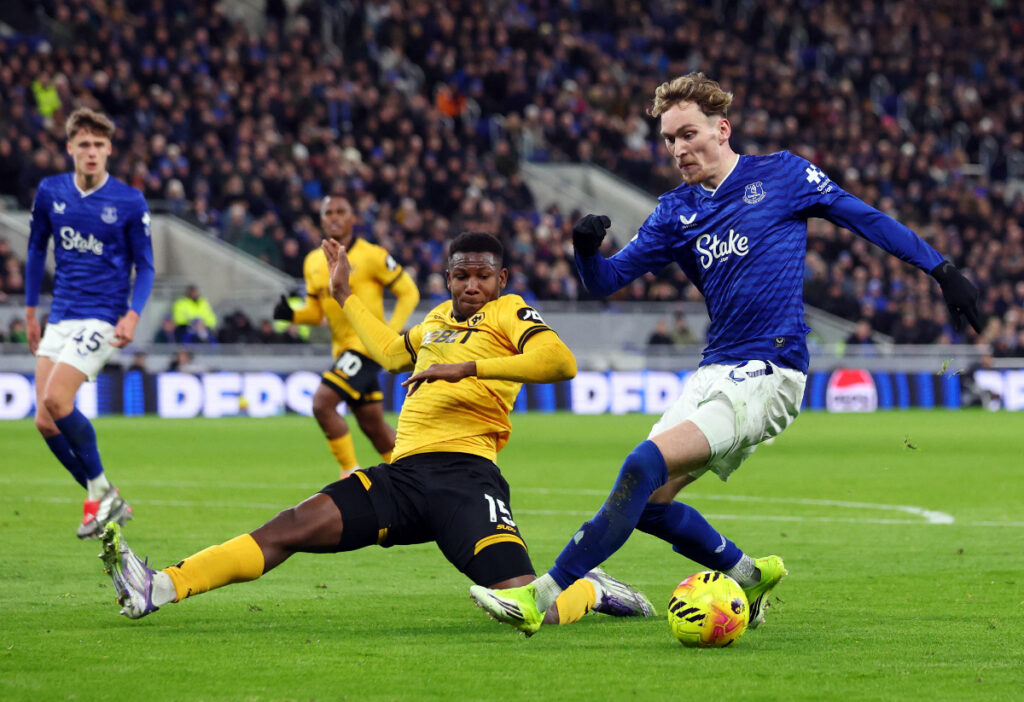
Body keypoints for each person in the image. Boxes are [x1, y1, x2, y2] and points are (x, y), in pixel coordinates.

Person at [469, 72, 982, 635]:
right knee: (649, 503)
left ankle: (539, 597)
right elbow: (607, 281)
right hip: (713, 371)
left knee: (641, 464)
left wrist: (943, 269)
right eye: (668, 139)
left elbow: (865, 217)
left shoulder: (782, 175)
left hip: (771, 372)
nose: (678, 149)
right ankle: (746, 572)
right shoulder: (674, 211)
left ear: (722, 128)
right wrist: (586, 251)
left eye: (687, 134)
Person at [99, 232, 654, 629]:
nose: (472, 284)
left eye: (483, 274)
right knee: (290, 527)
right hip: (403, 478)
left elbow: (561, 364)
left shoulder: (511, 312)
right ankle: (162, 585)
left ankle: (592, 588)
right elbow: (390, 353)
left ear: (501, 278)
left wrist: (470, 367)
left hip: (468, 479)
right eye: (461, 274)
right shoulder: (435, 321)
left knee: (531, 607)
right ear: (448, 277)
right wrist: (344, 295)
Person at [24, 107, 155, 539]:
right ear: (70, 148)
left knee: (59, 402)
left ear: (110, 149)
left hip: (102, 317)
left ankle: (100, 494)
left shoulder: (129, 201)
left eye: (99, 144)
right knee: (44, 420)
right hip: (59, 315)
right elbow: (34, 251)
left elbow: (146, 267)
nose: (92, 152)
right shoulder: (50, 192)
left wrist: (133, 313)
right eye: (84, 144)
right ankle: (104, 494)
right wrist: (29, 312)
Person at [273, 193, 420, 477]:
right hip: (342, 349)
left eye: (341, 211)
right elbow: (316, 314)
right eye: (329, 213)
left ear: (353, 218)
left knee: (322, 403)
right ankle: (412, 477)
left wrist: (390, 331)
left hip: (367, 346)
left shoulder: (372, 255)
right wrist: (290, 314)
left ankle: (349, 474)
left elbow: (409, 292)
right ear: (321, 221)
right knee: (372, 424)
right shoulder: (313, 261)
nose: (335, 217)